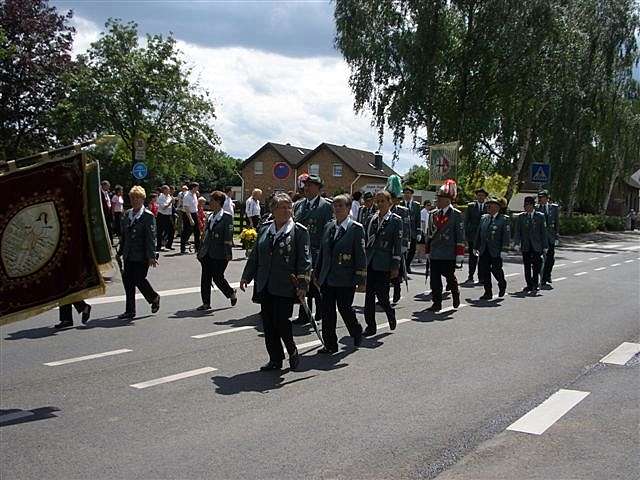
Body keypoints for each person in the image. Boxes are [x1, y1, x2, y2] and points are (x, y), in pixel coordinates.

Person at [240, 193, 311, 371]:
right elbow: (256, 255)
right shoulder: (265, 229)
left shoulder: (299, 231)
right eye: (282, 207)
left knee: (282, 322)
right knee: (268, 323)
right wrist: (246, 276)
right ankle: (275, 359)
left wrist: (303, 285)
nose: (287, 210)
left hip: (285, 284)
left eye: (289, 207)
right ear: (273, 210)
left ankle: (292, 350)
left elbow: (305, 260)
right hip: (265, 283)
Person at [314, 194, 366, 353]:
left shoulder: (355, 229)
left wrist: (361, 279)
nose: (337, 209)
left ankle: (356, 331)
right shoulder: (329, 226)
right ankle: (330, 344)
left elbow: (360, 256)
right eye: (335, 206)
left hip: (345, 278)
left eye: (341, 206)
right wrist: (317, 273)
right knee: (327, 312)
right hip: (327, 277)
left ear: (349, 208)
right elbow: (323, 252)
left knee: (345, 308)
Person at [292, 174, 333, 325]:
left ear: (318, 188)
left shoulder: (326, 206)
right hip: (301, 251)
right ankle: (304, 314)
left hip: (317, 251)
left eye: (310, 185)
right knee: (302, 282)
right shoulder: (299, 205)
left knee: (315, 284)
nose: (306, 188)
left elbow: (328, 231)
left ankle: (320, 310)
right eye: (305, 185)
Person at [117, 186, 160, 319]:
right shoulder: (127, 214)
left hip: (142, 255)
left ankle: (153, 297)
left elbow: (151, 237)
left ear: (143, 199)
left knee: (139, 279)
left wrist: (152, 256)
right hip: (128, 254)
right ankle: (130, 310)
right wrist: (119, 252)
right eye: (132, 198)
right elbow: (124, 235)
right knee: (128, 281)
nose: (135, 200)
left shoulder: (147, 216)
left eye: (137, 198)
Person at [363, 190, 402, 335]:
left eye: (382, 201)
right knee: (369, 296)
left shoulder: (395, 220)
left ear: (389, 202)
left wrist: (395, 266)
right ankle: (370, 326)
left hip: (384, 263)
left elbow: (397, 245)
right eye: (377, 201)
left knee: (382, 296)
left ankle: (389, 312)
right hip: (370, 261)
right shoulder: (371, 219)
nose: (379, 204)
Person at [425, 180, 465, 312]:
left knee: (449, 276)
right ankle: (437, 303)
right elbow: (429, 234)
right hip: (436, 252)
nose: (438, 201)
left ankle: (455, 292)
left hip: (449, 252)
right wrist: (427, 250)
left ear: (448, 200)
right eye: (438, 198)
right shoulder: (433, 214)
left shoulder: (456, 215)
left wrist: (460, 254)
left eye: (440, 198)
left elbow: (460, 235)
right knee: (434, 279)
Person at [197, 191, 237, 310]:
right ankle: (206, 303)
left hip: (220, 253)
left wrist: (228, 253)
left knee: (218, 277)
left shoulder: (226, 217)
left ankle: (230, 293)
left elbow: (228, 236)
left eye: (212, 200)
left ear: (219, 202)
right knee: (205, 278)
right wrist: (200, 250)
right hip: (207, 252)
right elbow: (205, 234)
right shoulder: (210, 216)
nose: (210, 202)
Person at [474, 197, 509, 300]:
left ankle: (502, 283)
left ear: (497, 207)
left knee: (496, 269)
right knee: (485, 271)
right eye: (488, 204)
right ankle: (487, 292)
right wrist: (476, 246)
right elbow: (479, 233)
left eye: (491, 204)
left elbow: (506, 236)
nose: (488, 206)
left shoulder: (503, 219)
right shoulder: (484, 218)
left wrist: (504, 250)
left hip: (496, 250)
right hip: (484, 249)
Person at [513, 196, 547, 293]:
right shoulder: (521, 217)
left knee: (536, 266)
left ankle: (535, 284)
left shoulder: (540, 216)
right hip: (526, 245)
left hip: (537, 245)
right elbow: (517, 231)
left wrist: (545, 246)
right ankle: (529, 284)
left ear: (533, 206)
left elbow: (543, 232)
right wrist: (516, 243)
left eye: (528, 205)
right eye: (525, 206)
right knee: (527, 266)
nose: (526, 207)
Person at [464, 187, 488, 284]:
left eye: (482, 195)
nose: (480, 197)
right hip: (472, 235)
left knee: (482, 257)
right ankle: (470, 276)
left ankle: (481, 276)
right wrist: (465, 235)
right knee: (472, 256)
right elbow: (466, 221)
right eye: (479, 195)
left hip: (483, 236)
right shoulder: (471, 206)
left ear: (485, 197)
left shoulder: (488, 206)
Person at [536, 190, 560, 286]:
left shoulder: (553, 208)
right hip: (539, 238)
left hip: (550, 237)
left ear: (547, 198)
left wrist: (557, 236)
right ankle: (540, 276)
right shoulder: (536, 208)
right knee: (538, 258)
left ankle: (547, 275)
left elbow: (557, 223)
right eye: (540, 197)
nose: (541, 199)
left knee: (550, 258)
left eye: (542, 197)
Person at [401, 186, 421, 273]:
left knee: (412, 250)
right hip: (403, 232)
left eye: (408, 193)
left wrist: (419, 232)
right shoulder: (400, 204)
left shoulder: (416, 205)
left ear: (412, 194)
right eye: (405, 193)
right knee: (404, 250)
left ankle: (407, 265)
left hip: (412, 232)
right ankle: (403, 266)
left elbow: (418, 219)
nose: (407, 195)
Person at [180, 182, 200, 254]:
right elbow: (186, 208)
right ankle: (182, 248)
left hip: (194, 213)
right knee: (186, 231)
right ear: (193, 188)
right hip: (188, 214)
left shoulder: (194, 195)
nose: (198, 189)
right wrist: (190, 219)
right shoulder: (187, 196)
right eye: (197, 187)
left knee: (197, 231)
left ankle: (197, 248)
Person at [157, 185, 175, 251]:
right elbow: (164, 207)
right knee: (160, 231)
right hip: (162, 215)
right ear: (164, 190)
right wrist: (170, 202)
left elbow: (171, 205)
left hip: (168, 215)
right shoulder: (161, 197)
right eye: (167, 189)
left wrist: (173, 202)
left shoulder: (169, 196)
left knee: (172, 230)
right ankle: (158, 246)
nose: (169, 191)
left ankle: (169, 245)